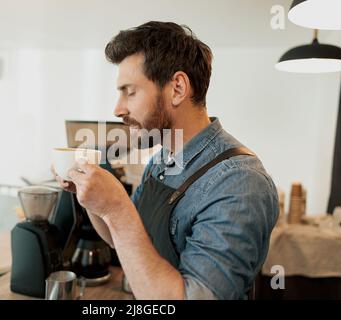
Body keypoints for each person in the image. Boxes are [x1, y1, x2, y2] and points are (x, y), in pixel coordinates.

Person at [53, 21, 279, 300]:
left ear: (177, 89)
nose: (118, 108)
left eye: (130, 91)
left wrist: (117, 209)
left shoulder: (240, 182)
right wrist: (89, 198)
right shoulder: (163, 158)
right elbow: (122, 240)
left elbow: (194, 296)